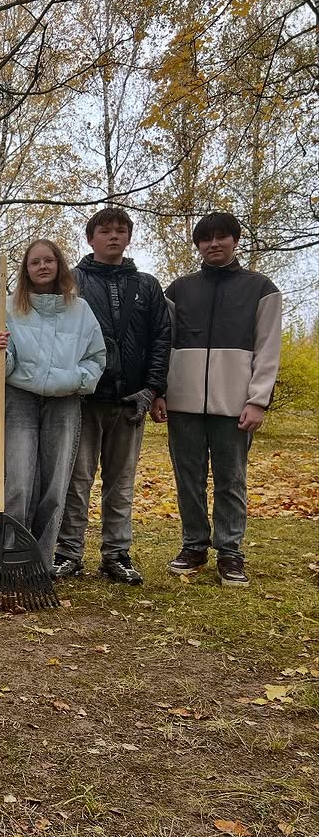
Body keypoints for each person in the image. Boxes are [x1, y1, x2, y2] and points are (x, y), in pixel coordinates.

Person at [157, 212, 282, 588]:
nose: (214, 244)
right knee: (188, 479)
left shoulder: (261, 288)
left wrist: (258, 399)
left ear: (235, 240)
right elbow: (164, 345)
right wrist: (160, 391)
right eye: (206, 238)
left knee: (231, 479)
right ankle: (194, 545)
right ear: (197, 244)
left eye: (221, 237)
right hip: (183, 403)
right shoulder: (179, 289)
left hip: (235, 405)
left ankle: (230, 552)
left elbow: (268, 348)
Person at [54, 207, 171, 586]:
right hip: (85, 398)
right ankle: (68, 552)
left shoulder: (147, 286)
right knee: (77, 478)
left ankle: (116, 553)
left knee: (120, 481)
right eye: (105, 231)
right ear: (91, 238)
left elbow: (160, 340)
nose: (114, 237)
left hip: (131, 400)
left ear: (129, 237)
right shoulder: (71, 281)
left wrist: (153, 389)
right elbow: (59, 336)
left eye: (121, 231)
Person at [0, 240, 106, 569]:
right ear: (25, 269)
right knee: (19, 482)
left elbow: (96, 358)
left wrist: (76, 380)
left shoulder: (79, 310)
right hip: (20, 400)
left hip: (64, 403)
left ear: (59, 265)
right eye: (34, 262)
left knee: (55, 485)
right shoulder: (8, 308)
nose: (42, 267)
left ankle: (40, 560)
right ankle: (10, 555)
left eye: (48, 260)